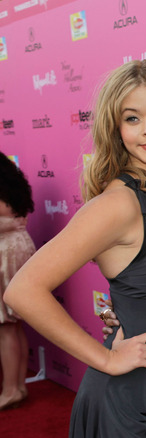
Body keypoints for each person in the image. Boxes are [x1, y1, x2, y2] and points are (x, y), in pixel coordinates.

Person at [3, 60, 146, 437]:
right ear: (116, 128)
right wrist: (104, 357)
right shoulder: (119, 204)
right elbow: (22, 291)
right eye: (133, 118)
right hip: (135, 406)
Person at [0, 153, 36, 411]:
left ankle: (11, 389)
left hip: (6, 254)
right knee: (12, 324)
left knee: (6, 326)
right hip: (18, 249)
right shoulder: (13, 185)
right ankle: (18, 387)